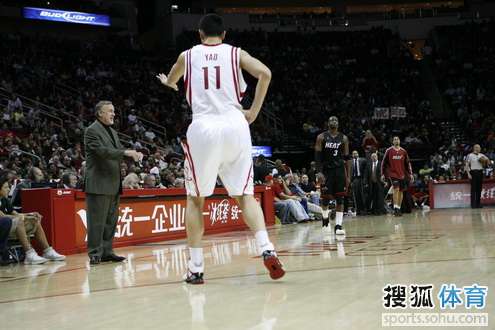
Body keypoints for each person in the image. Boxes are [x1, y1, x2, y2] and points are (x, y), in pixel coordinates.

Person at [157, 14, 284, 284]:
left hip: (204, 128)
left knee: (195, 199)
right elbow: (266, 73)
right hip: (235, 125)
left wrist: (167, 83)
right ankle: (266, 248)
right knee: (245, 196)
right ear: (224, 34)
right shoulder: (236, 53)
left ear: (199, 35)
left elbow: (171, 80)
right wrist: (253, 113)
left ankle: (195, 268)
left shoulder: (187, 56)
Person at [84, 100, 143, 265]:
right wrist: (126, 152)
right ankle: (95, 253)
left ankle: (107, 251)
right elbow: (103, 152)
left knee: (110, 221)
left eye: (114, 111)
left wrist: (131, 156)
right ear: (100, 113)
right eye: (110, 111)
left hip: (113, 182)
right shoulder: (91, 131)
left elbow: (117, 152)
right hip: (98, 183)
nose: (113, 114)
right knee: (97, 221)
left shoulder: (112, 132)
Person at [0, 175, 65, 264]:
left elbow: (16, 214)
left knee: (35, 220)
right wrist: (20, 218)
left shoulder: (5, 200)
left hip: (11, 224)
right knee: (19, 221)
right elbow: (3, 217)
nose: (8, 189)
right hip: (3, 227)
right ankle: (29, 253)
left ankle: (47, 251)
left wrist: (30, 214)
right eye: (5, 187)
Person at [314, 116, 350, 235]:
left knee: (340, 199)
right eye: (331, 120)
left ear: (338, 124)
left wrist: (348, 175)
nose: (333, 122)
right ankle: (325, 220)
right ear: (328, 124)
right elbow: (318, 156)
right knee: (325, 199)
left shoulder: (344, 138)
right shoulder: (321, 137)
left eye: (335, 120)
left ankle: (338, 226)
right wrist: (319, 171)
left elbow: (347, 158)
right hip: (326, 171)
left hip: (339, 171)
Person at [381, 136, 413, 217]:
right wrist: (382, 174)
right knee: (396, 188)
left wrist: (411, 174)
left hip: (402, 175)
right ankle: (395, 208)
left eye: (397, 139)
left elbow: (408, 163)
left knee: (401, 191)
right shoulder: (389, 151)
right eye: (394, 139)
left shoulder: (403, 151)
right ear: (392, 141)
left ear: (400, 141)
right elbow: (383, 163)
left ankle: (398, 208)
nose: (396, 140)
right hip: (393, 174)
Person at [465, 144, 489, 209]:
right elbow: (466, 165)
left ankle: (478, 204)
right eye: (479, 147)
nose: (480, 149)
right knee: (473, 189)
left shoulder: (482, 155)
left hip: (480, 172)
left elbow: (488, 161)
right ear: (475, 148)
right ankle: (473, 204)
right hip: (473, 172)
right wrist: (468, 174)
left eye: (480, 147)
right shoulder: (469, 155)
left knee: (479, 189)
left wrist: (486, 161)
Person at [350, 150, 367, 215]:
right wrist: (351, 181)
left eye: (356, 153)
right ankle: (358, 210)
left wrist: (365, 180)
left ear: (358, 154)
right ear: (352, 155)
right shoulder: (351, 162)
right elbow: (350, 172)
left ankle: (364, 209)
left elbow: (366, 171)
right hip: (354, 179)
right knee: (355, 195)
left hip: (361, 179)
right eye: (353, 154)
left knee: (362, 195)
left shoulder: (363, 160)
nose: (355, 154)